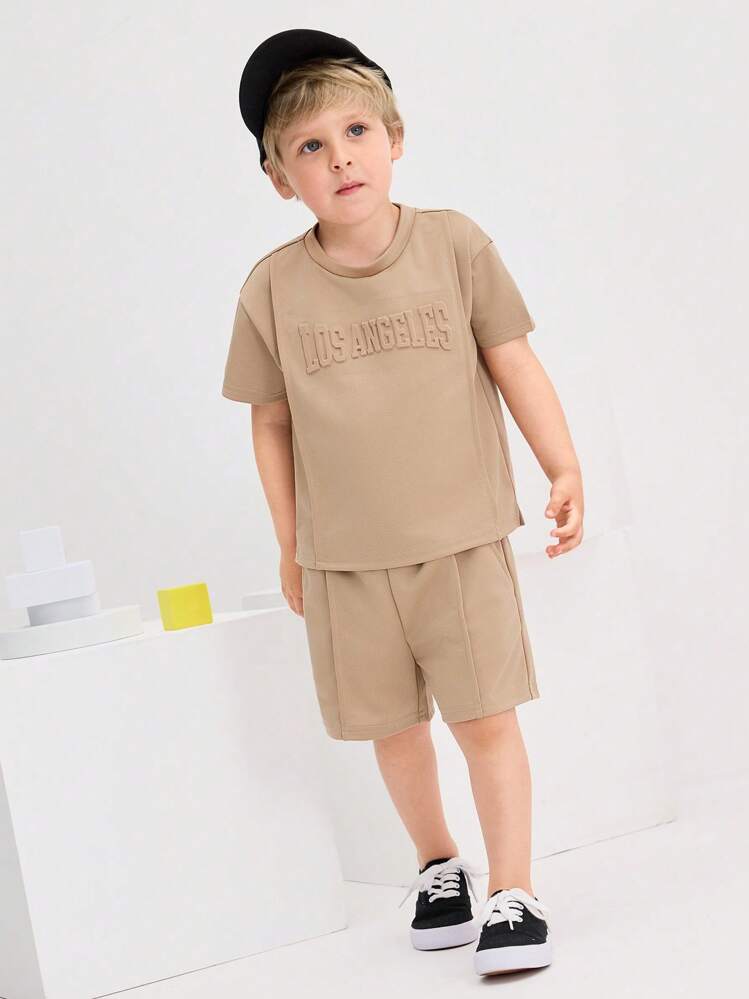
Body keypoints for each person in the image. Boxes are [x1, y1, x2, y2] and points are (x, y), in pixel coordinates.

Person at [222, 28, 584, 978]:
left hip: (460, 539)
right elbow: (269, 423)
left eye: (355, 131)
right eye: (309, 146)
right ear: (279, 178)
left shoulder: (454, 244)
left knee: (485, 718)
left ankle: (514, 888)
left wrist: (561, 464)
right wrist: (291, 543)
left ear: (393, 138)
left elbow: (512, 359)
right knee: (393, 728)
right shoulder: (271, 289)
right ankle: (437, 863)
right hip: (345, 559)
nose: (339, 158)